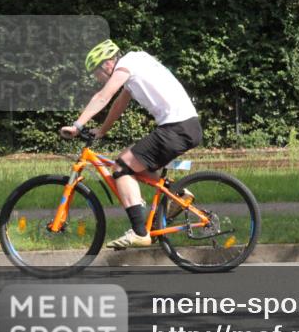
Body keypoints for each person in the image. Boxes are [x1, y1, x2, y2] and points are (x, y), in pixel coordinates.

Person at [60, 40, 202, 249]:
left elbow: (103, 97)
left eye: (96, 73)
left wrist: (77, 125)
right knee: (132, 164)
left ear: (108, 63)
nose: (97, 78)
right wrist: (102, 130)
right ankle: (178, 193)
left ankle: (139, 232)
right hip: (184, 126)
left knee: (121, 167)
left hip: (176, 128)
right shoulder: (137, 62)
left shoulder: (127, 65)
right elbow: (119, 104)